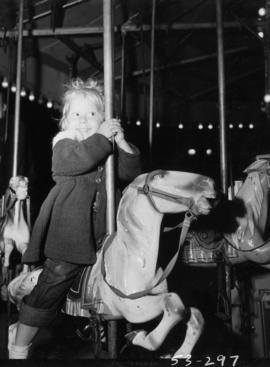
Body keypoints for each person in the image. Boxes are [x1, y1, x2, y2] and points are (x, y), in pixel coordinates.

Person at [8, 78, 141, 359]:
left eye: (92, 114)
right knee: (57, 278)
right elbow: (73, 163)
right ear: (65, 120)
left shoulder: (106, 149)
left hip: (107, 230)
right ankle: (20, 343)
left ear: (104, 118)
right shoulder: (65, 144)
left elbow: (130, 174)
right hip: (69, 230)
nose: (84, 120)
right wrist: (102, 139)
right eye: (76, 114)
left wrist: (121, 142)